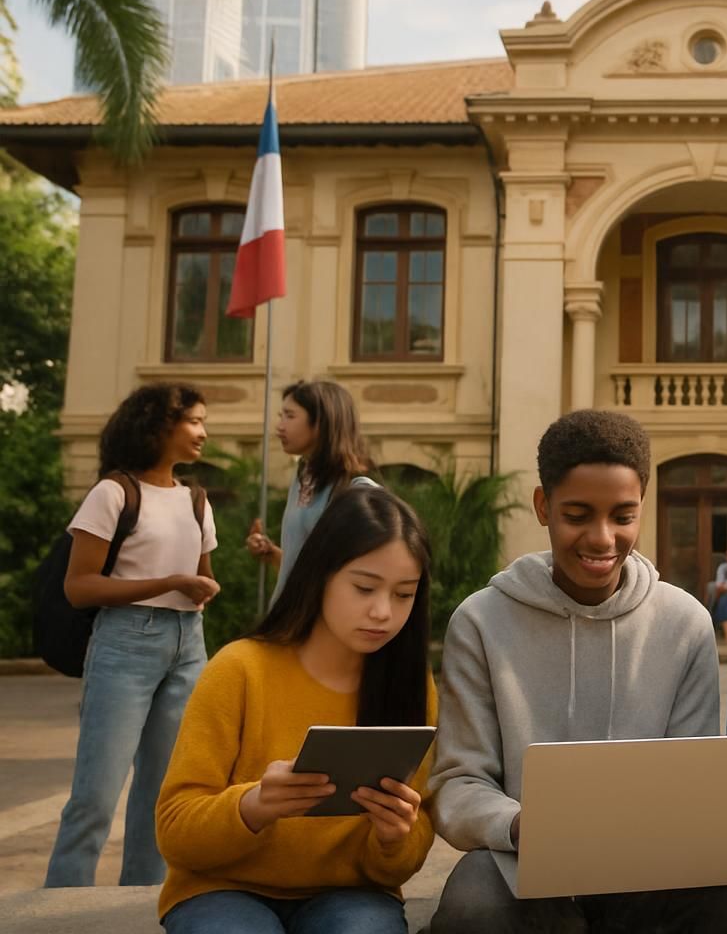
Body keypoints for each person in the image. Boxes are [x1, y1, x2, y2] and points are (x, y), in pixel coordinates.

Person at [428, 409, 727, 933]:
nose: (602, 537)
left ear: (642, 509)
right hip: (523, 861)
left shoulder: (685, 622)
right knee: (472, 904)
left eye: (622, 515)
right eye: (578, 514)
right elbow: (459, 782)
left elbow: (692, 780)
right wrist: (521, 825)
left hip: (652, 870)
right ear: (544, 507)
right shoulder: (481, 621)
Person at [155, 485, 436, 934]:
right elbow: (175, 832)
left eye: (404, 594)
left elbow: (409, 847)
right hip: (221, 887)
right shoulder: (240, 669)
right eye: (364, 587)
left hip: (351, 893)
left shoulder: (411, 684)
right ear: (319, 574)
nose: (383, 611)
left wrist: (395, 837)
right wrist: (254, 805)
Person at [44, 383, 219, 888]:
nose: (203, 432)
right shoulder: (113, 492)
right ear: (158, 425)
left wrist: (201, 588)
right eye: (194, 422)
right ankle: (61, 912)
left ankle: (141, 904)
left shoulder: (197, 499)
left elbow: (200, 575)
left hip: (188, 644)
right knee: (95, 797)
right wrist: (169, 583)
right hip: (124, 643)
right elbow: (79, 587)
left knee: (162, 796)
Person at [245, 379, 375, 601]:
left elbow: (361, 570)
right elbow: (307, 564)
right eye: (281, 416)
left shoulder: (356, 488)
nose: (280, 426)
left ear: (321, 423)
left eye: (290, 416)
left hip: (324, 622)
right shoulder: (304, 475)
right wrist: (274, 555)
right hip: (289, 615)